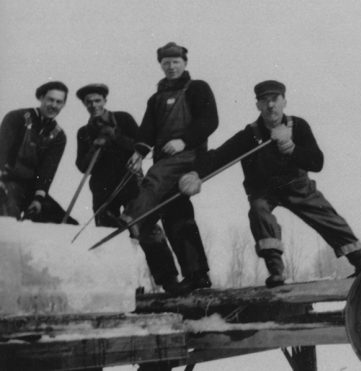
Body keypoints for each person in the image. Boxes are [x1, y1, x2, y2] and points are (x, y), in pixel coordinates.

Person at [179, 80, 361, 288]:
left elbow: (317, 162)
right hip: (264, 191)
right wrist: (195, 173)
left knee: (326, 215)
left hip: (298, 187)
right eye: (265, 101)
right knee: (258, 211)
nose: (270, 105)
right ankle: (276, 271)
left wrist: (291, 147)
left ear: (284, 101)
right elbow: (219, 156)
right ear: (258, 106)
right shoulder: (250, 134)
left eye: (275, 100)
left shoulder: (298, 126)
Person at [122, 42, 218, 295]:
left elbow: (210, 120)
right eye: (166, 63)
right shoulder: (156, 98)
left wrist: (184, 139)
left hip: (188, 156)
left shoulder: (196, 88)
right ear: (161, 66)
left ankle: (133, 217)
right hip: (164, 159)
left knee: (153, 181)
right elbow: (147, 130)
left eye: (175, 62)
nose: (171, 67)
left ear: (185, 63)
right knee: (177, 216)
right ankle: (192, 276)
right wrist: (139, 152)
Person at [0, 81, 77, 224]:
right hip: (6, 181)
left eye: (59, 102)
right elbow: (2, 151)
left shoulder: (59, 135)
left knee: (67, 225)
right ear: (41, 98)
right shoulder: (17, 117)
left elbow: (47, 171)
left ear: (63, 105)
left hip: (29, 189)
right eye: (50, 99)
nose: (54, 105)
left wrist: (38, 199)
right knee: (9, 222)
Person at [75, 83, 142, 227]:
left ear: (105, 101)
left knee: (143, 229)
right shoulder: (84, 132)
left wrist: (115, 136)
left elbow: (141, 146)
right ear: (84, 104)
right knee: (106, 233)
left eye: (97, 100)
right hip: (102, 190)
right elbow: (83, 167)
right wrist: (95, 146)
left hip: (129, 181)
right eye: (89, 102)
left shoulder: (123, 118)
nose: (93, 105)